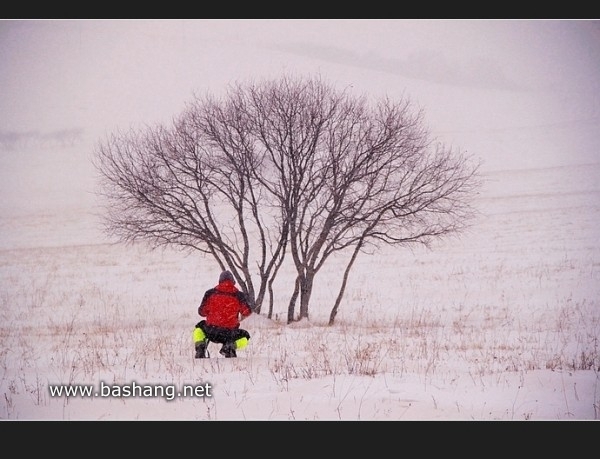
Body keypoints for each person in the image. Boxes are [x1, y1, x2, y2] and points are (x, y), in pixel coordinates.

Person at [194, 270, 253, 358]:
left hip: (211, 331)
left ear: (219, 281)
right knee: (245, 336)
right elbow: (247, 312)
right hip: (229, 333)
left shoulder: (210, 293)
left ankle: (200, 348)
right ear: (233, 282)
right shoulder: (239, 295)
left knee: (199, 328)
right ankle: (230, 347)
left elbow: (201, 312)